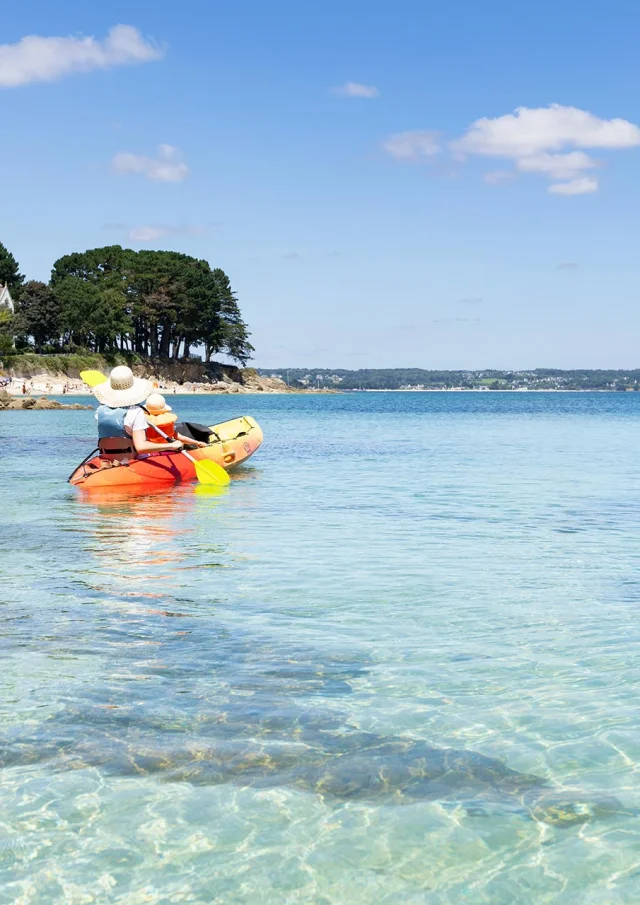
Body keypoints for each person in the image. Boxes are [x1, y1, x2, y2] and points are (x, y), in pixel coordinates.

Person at [93, 366, 184, 460]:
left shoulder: (99, 412)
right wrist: (171, 445)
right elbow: (141, 447)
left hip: (106, 457)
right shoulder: (136, 412)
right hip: (130, 458)